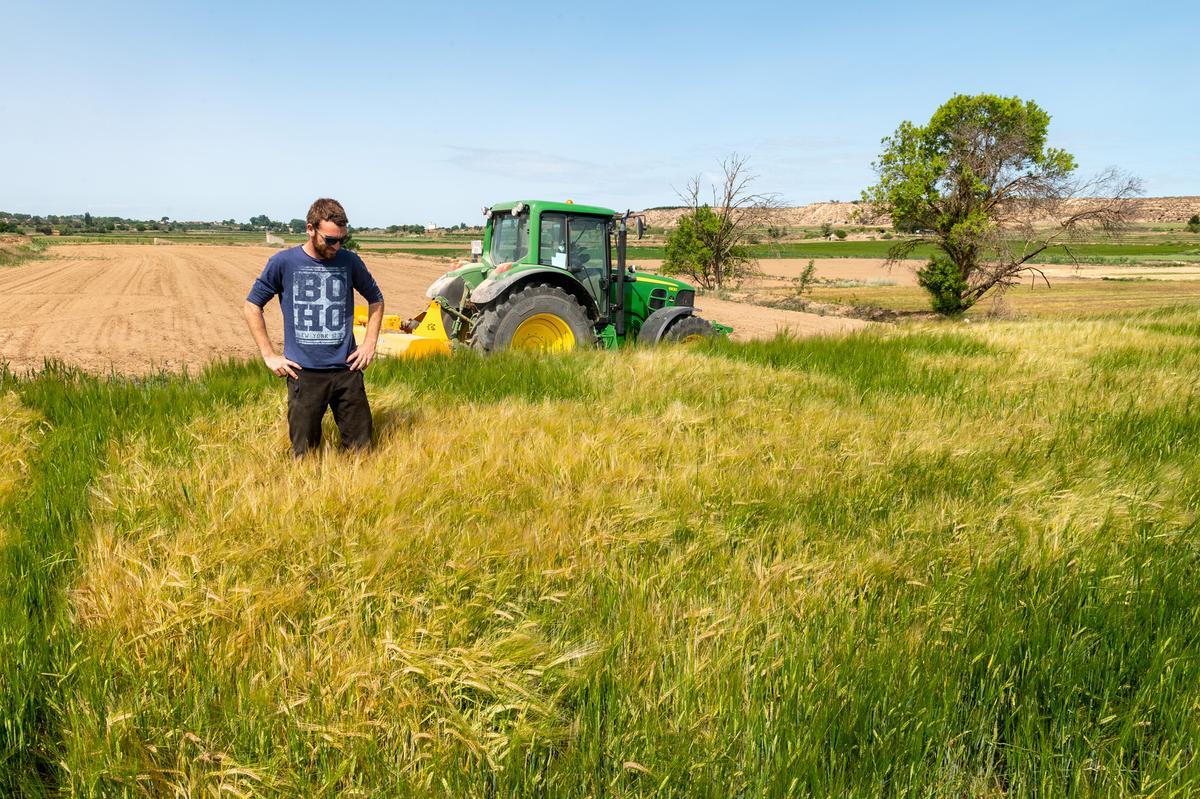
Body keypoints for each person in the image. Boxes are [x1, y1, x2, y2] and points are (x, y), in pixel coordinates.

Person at [243, 198, 385, 457]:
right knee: (305, 455)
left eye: (343, 239)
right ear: (310, 229)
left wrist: (370, 343)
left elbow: (376, 298)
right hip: (303, 375)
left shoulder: (350, 262)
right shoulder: (283, 262)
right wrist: (268, 355)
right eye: (330, 240)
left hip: (347, 371)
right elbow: (252, 306)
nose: (337, 246)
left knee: (362, 452)